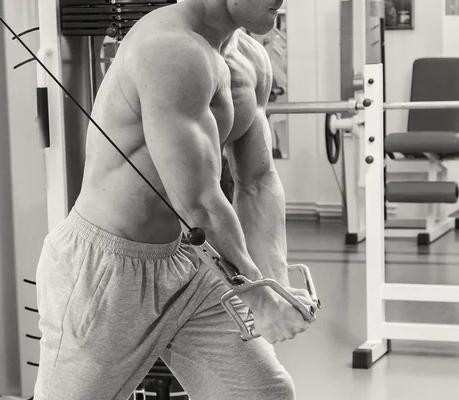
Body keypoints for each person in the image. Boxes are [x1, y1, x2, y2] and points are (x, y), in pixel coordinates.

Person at [33, 0, 317, 399]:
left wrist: (276, 286)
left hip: (189, 260)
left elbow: (257, 180)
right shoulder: (172, 51)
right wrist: (258, 296)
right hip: (107, 271)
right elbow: (198, 204)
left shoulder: (250, 58)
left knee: (263, 393)